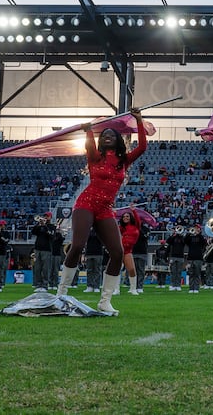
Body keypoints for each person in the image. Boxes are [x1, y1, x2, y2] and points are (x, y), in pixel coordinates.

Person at [56, 108, 147, 316]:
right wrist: (89, 131)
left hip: (105, 209)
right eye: (103, 135)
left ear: (117, 140)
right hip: (86, 204)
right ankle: (61, 294)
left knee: (117, 252)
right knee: (78, 245)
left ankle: (105, 301)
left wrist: (139, 120)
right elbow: (89, 142)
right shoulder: (94, 156)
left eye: (111, 135)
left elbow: (142, 147)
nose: (107, 137)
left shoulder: (124, 161)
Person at [118, 207, 141, 295]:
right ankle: (116, 289)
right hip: (120, 250)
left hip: (128, 251)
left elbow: (138, 220)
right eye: (124, 217)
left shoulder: (136, 226)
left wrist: (133, 210)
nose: (125, 218)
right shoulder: (121, 227)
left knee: (131, 269)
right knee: (117, 269)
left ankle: (133, 289)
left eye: (127, 216)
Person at [30, 213, 54, 293]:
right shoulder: (39, 226)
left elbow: (52, 236)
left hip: (46, 249)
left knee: (45, 268)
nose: (45, 218)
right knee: (37, 268)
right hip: (37, 249)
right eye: (44, 216)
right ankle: (38, 285)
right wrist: (38, 224)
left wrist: (45, 226)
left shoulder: (51, 226)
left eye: (47, 216)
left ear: (50, 217)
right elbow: (33, 232)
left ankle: (45, 285)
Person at [83, 228, 104, 293]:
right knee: (89, 270)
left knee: (97, 270)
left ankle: (96, 286)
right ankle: (89, 286)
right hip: (89, 253)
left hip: (98, 253)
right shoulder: (87, 230)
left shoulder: (101, 230)